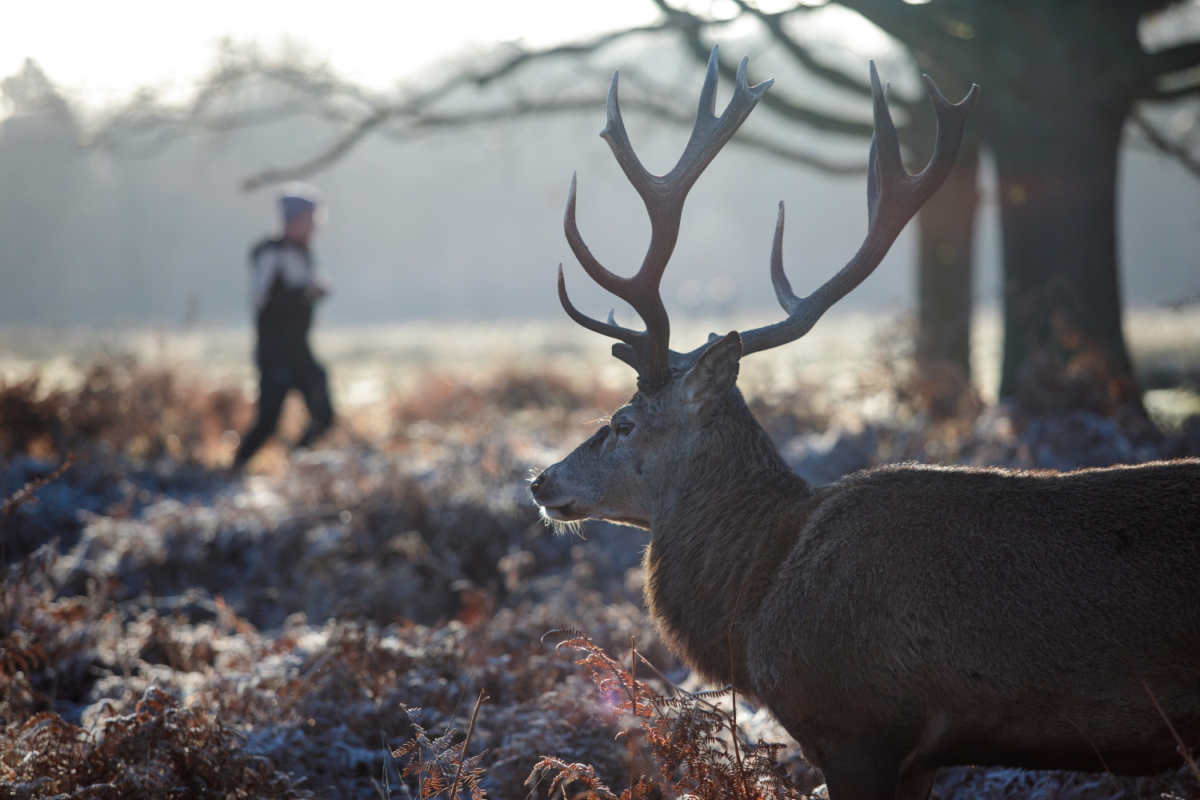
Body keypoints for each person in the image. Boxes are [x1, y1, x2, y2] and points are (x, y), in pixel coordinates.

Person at [232, 184, 334, 470]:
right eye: (311, 220)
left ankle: (296, 465)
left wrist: (315, 292)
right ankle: (235, 470)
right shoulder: (269, 254)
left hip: (299, 349)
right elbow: (259, 301)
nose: (315, 227)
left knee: (324, 414)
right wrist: (303, 295)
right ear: (295, 220)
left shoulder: (302, 252)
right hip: (276, 352)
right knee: (267, 421)